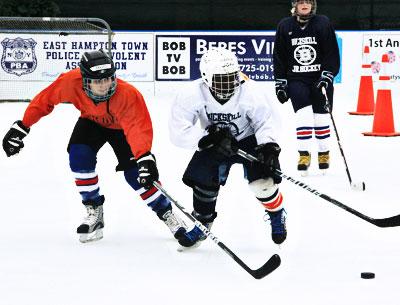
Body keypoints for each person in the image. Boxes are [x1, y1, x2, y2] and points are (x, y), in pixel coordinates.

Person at [2, 49, 188, 243]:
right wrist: (22, 126)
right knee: (79, 156)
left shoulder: (128, 95)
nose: (104, 85)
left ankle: (167, 213)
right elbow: (44, 100)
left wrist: (144, 158)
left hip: (121, 129)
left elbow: (137, 128)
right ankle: (94, 210)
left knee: (136, 175)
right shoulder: (69, 82)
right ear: (84, 80)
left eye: (108, 79)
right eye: (97, 81)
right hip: (92, 122)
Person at [169, 47, 286, 249]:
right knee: (203, 180)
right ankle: (203, 222)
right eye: (221, 79)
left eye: (232, 77)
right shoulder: (191, 94)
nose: (229, 84)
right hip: (214, 142)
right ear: (206, 77)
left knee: (263, 182)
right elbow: (178, 131)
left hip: (249, 139)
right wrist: (204, 139)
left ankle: (277, 214)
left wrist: (268, 147)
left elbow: (265, 122)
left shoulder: (251, 91)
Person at [273, 0, 340, 176]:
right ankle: (304, 154)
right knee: (303, 116)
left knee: (321, 118)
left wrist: (327, 75)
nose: (304, 4)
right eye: (301, 1)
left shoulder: (322, 23)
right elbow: (279, 56)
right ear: (295, 5)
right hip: (296, 79)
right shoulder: (285, 25)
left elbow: (331, 52)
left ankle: (324, 153)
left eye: (308, 1)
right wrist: (280, 83)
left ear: (313, 5)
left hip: (319, 79)